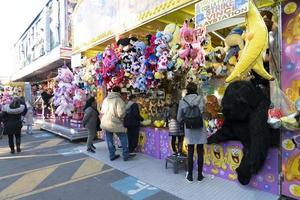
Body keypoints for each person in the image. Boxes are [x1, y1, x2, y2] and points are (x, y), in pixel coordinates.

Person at [177, 82, 207, 182]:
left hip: (189, 128)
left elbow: (179, 118)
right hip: (199, 127)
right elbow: (203, 111)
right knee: (200, 151)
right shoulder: (201, 99)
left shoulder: (182, 101)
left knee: (190, 151)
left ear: (187, 90)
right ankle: (199, 176)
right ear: (196, 89)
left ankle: (189, 176)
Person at [100, 86, 134, 161]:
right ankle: (125, 154)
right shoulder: (118, 100)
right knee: (123, 136)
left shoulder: (106, 99)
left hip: (105, 122)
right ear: (119, 92)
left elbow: (102, 111)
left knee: (109, 139)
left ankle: (112, 155)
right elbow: (121, 113)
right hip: (115, 122)